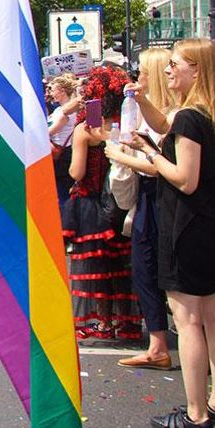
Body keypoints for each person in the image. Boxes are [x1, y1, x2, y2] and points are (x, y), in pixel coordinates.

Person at [125, 39, 215, 428]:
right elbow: (165, 126)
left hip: (188, 228)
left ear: (197, 70)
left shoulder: (191, 117)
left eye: (175, 64)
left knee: (188, 322)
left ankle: (196, 414)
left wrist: (150, 155)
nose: (168, 70)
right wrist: (141, 102)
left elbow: (184, 179)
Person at [105, 48, 176, 369]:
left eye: (144, 72)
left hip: (163, 198)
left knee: (159, 271)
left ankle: (164, 344)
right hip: (149, 198)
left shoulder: (173, 115)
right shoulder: (147, 109)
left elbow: (159, 164)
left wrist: (121, 157)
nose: (138, 78)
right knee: (145, 269)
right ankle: (158, 342)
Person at [60, 66, 140, 340]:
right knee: (120, 265)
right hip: (123, 200)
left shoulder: (88, 128)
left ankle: (103, 321)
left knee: (94, 266)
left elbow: (77, 172)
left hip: (91, 203)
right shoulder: (128, 124)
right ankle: (126, 322)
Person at [46, 74, 79, 208]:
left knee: (62, 191)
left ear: (62, 91)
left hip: (62, 153)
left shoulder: (67, 111)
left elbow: (50, 131)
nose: (51, 93)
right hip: (57, 151)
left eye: (53, 90)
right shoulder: (59, 109)